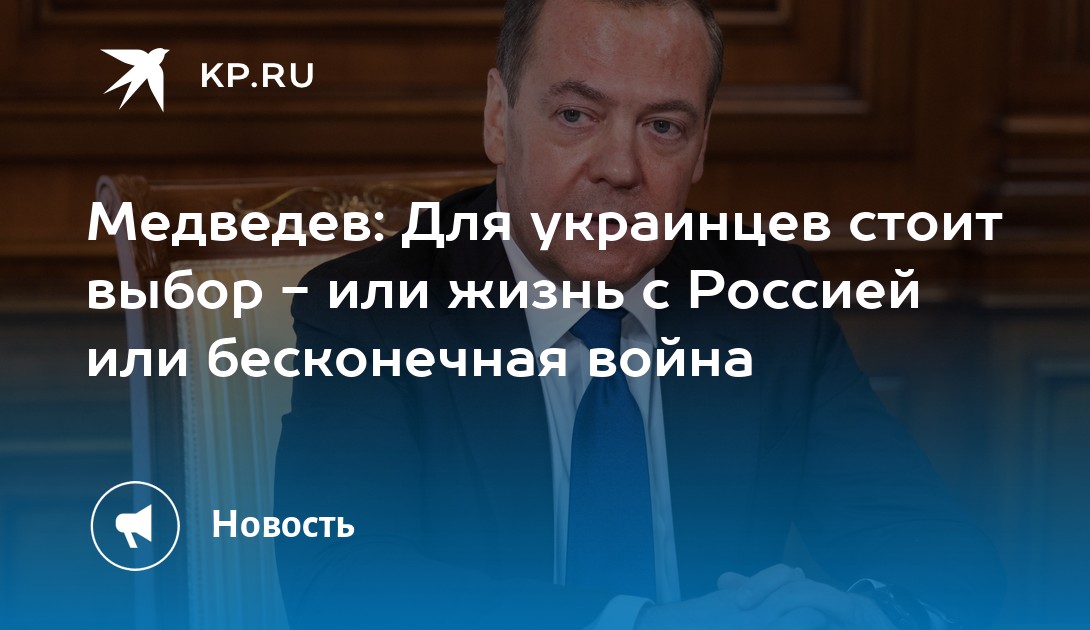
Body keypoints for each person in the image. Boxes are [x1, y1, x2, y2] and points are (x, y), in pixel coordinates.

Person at [274, 0, 1005, 628]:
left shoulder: (765, 298)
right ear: (499, 118)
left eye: (663, 127)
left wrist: (863, 615)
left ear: (701, 146)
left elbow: (941, 553)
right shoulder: (373, 312)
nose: (620, 169)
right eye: (575, 115)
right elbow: (342, 585)